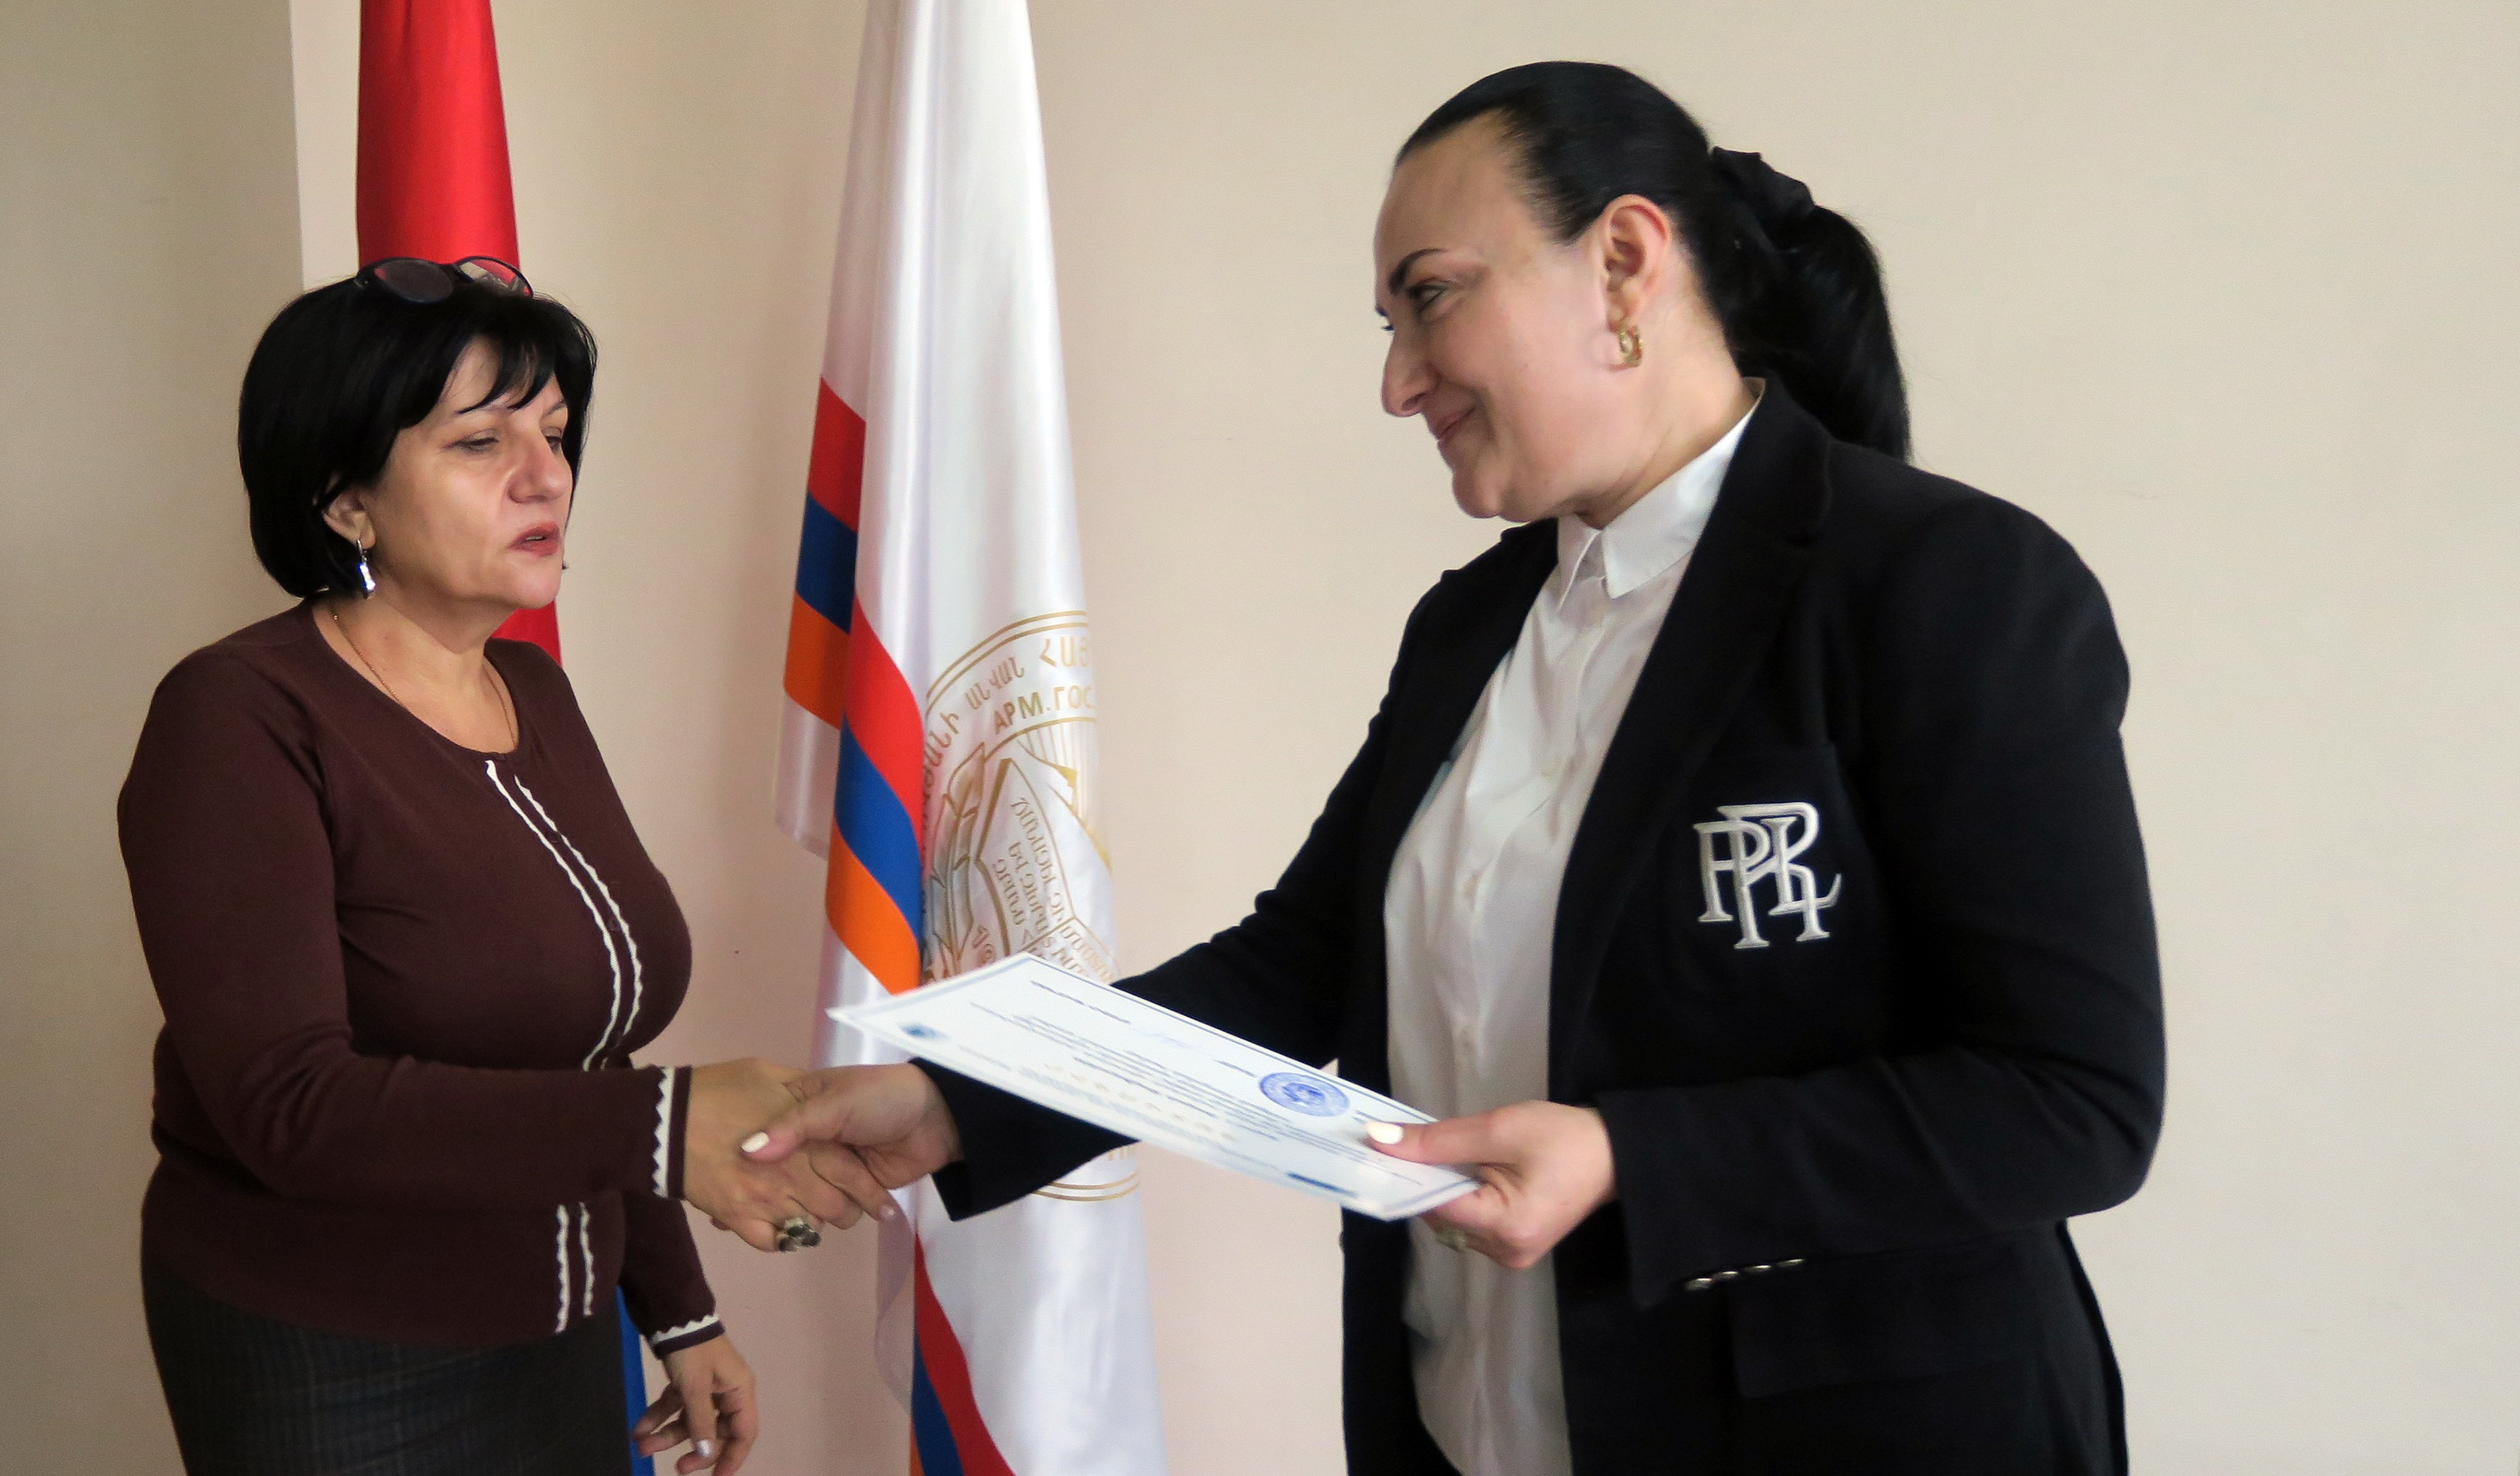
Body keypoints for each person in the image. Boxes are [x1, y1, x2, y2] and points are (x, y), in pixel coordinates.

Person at [738, 61, 2165, 1476]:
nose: (1397, 381)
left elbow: (2070, 1101)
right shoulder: (1476, 622)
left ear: (1624, 263)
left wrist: (1626, 1157)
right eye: (1390, 321)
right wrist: (963, 1102)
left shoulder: (1949, 583)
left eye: (1431, 296)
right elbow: (1299, 964)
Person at [117, 258, 893, 1476]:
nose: (547, 477)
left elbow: (583, 1046)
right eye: (481, 443)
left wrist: (678, 1310)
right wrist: (666, 1125)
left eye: (556, 433)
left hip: (563, 1333)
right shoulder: (239, 715)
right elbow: (288, 1104)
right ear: (345, 500)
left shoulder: (531, 687)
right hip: (337, 1352)